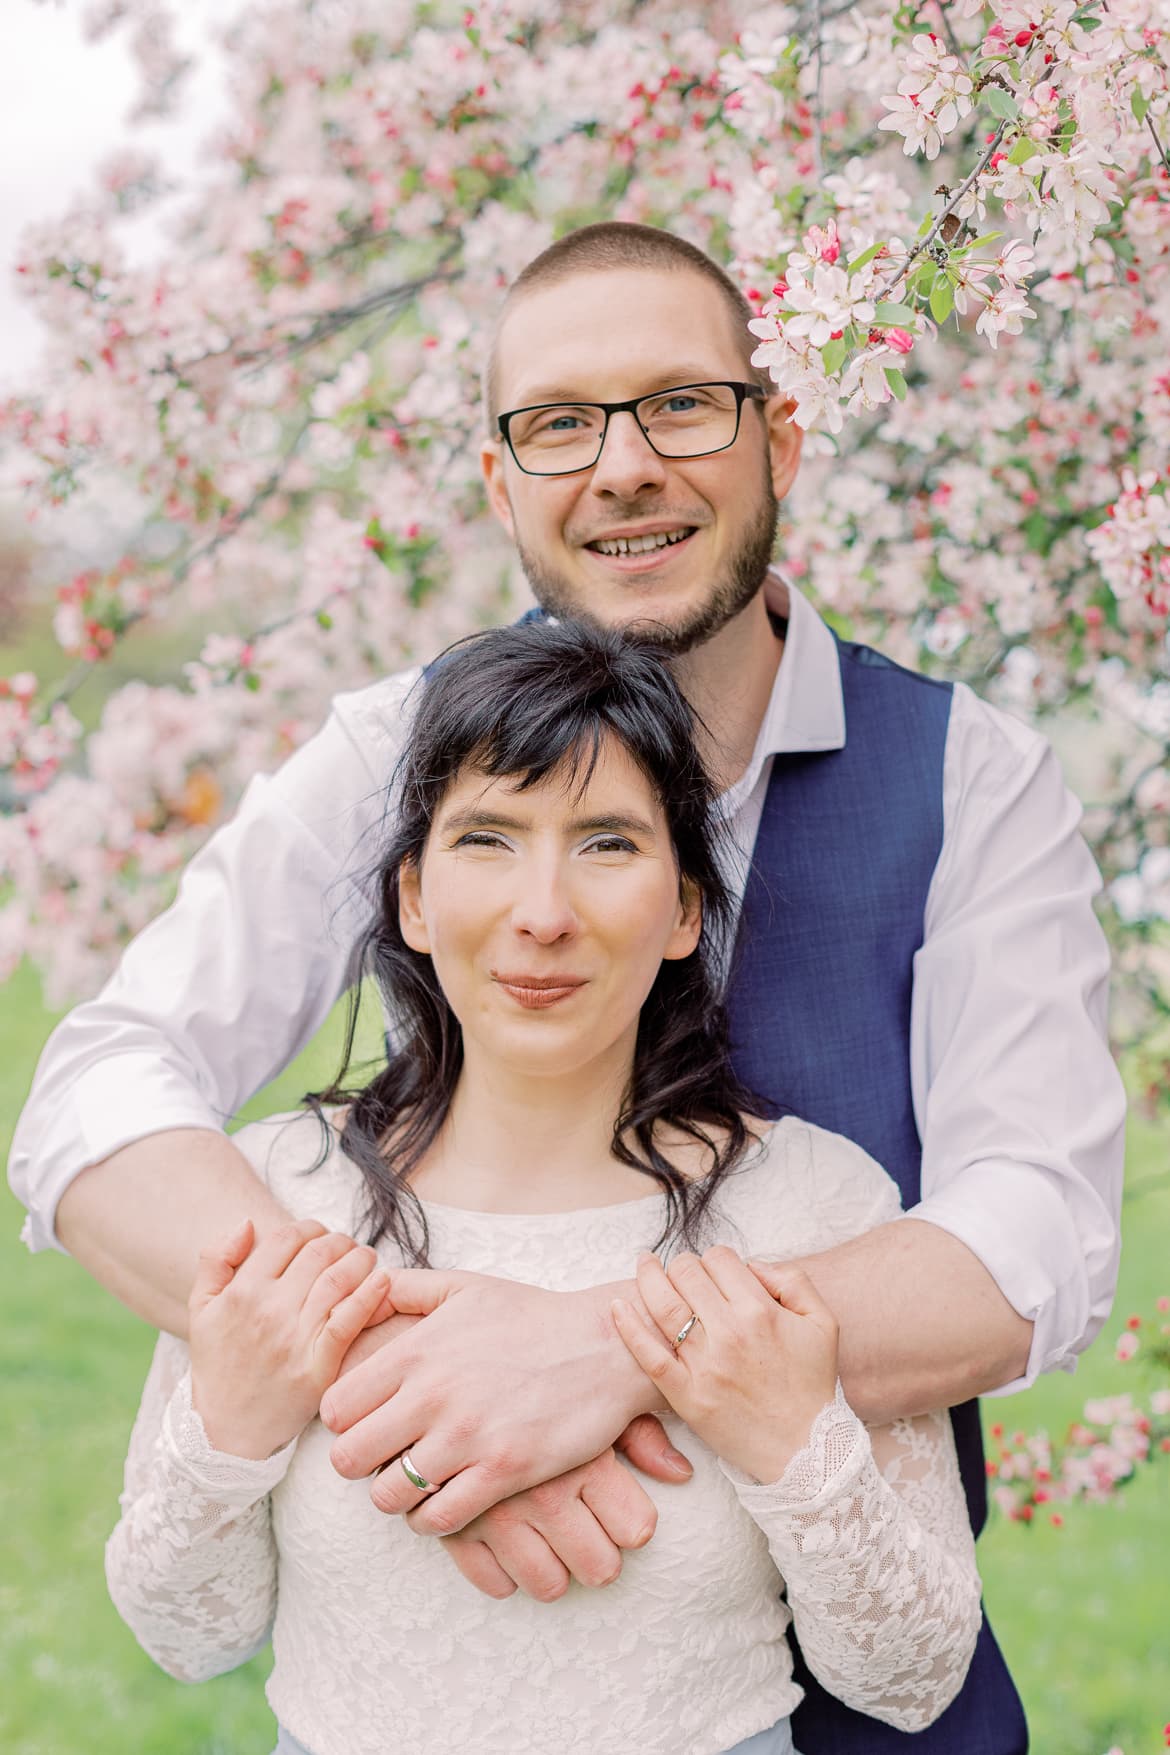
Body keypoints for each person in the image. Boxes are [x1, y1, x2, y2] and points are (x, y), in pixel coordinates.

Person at [10, 221, 1124, 1753]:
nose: (622, 467)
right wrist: (406, 1363)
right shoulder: (400, 751)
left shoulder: (967, 778)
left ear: (774, 434)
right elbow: (102, 1087)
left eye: (680, 404)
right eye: (557, 423)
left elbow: (1036, 1229)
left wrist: (604, 1350)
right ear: (499, 480)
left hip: (864, 1687)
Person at [105, 619, 983, 1755]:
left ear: (685, 910)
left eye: (608, 843)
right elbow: (185, 1631)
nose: (543, 912)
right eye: (489, 839)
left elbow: (912, 1677)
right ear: (414, 899)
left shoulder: (817, 1209)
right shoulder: (282, 1196)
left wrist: (786, 1440)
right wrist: (232, 1421)